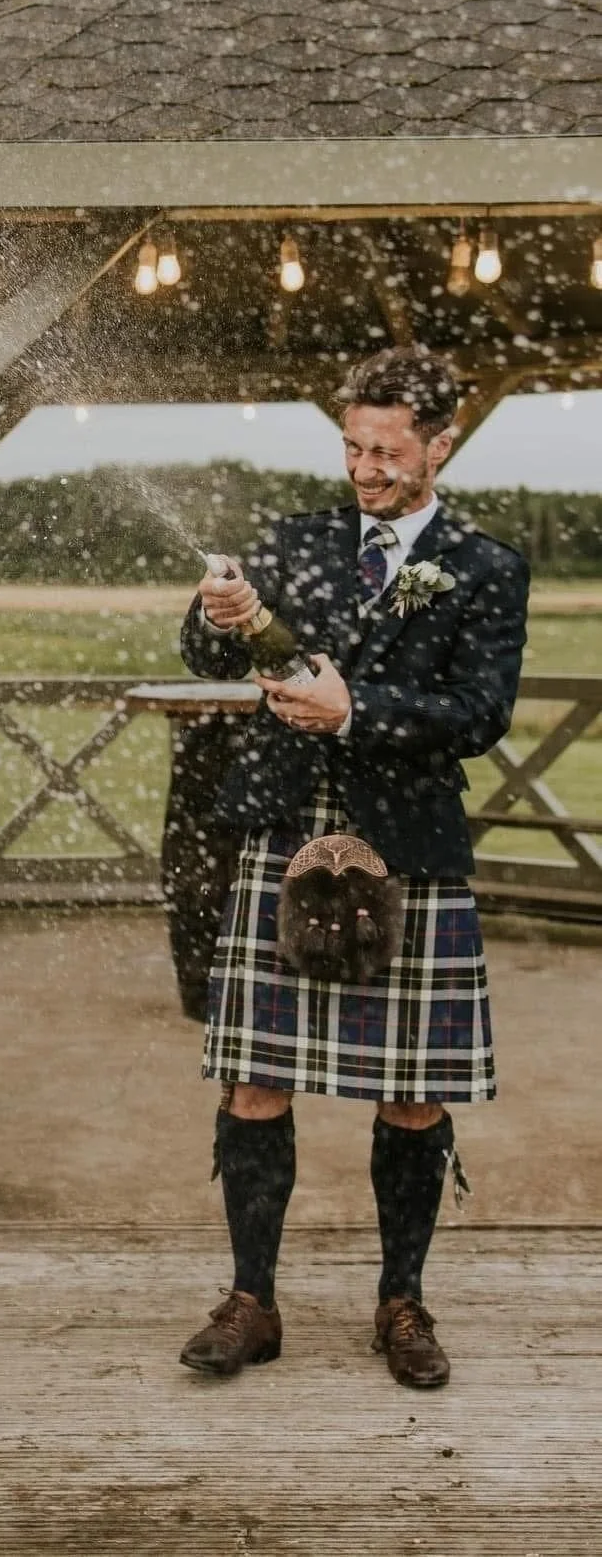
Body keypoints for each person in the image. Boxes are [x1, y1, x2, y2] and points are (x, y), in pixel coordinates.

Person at [175, 345, 529, 1390]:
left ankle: (401, 1303)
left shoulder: (483, 565)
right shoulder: (298, 539)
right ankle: (252, 1301)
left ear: (439, 446)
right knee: (252, 1080)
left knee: (414, 1091)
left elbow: (480, 716)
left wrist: (357, 711)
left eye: (386, 450)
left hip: (409, 847)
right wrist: (218, 611)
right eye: (351, 446)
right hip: (284, 829)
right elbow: (210, 658)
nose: (365, 468)